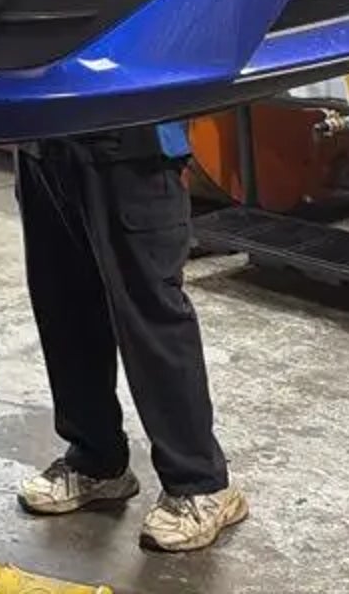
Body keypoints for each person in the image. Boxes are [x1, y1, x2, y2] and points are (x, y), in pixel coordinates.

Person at [14, 119, 248, 554]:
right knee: (64, 304)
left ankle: (202, 484)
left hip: (130, 139)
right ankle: (96, 461)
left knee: (149, 314)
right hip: (43, 138)